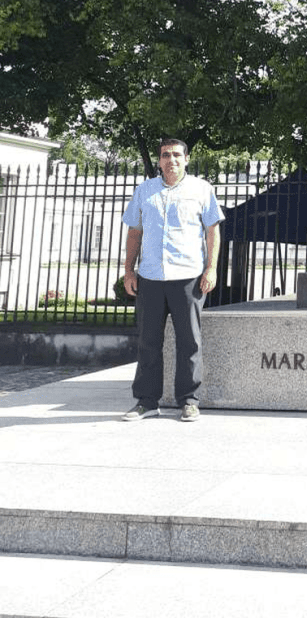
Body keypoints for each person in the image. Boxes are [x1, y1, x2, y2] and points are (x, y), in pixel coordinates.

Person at [121, 137, 224, 421]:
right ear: (159, 160)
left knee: (189, 341)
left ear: (187, 159)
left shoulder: (201, 190)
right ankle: (146, 402)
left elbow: (212, 231)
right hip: (151, 276)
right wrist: (129, 270)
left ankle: (189, 400)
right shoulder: (145, 191)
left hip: (188, 276)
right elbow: (134, 233)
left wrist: (211, 268)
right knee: (148, 342)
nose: (171, 160)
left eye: (177, 155)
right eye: (166, 155)